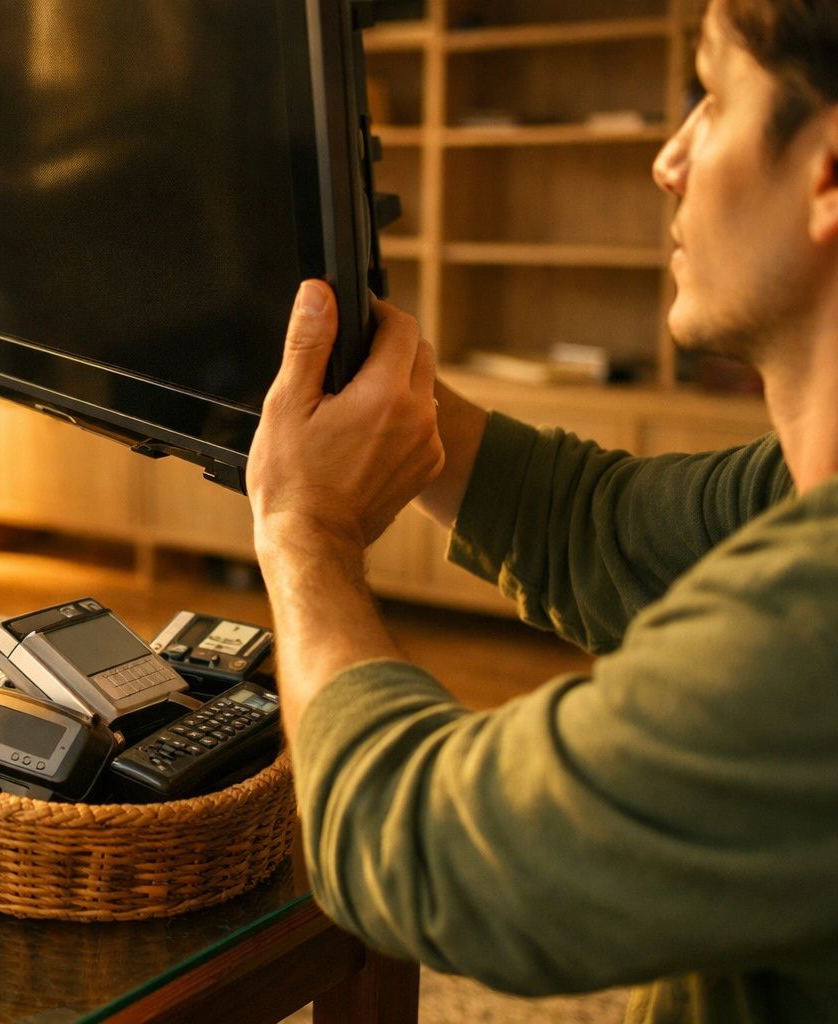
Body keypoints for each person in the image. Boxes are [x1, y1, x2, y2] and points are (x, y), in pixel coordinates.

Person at [244, 0, 838, 1019]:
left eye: (711, 96)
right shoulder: (794, 496)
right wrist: (367, 382)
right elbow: (595, 524)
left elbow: (428, 850)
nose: (671, 156)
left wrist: (307, 534)